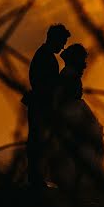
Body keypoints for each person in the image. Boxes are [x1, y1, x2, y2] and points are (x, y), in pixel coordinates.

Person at [49, 43, 104, 189]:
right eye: (82, 60)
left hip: (73, 111)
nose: (85, 64)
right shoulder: (68, 75)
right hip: (72, 112)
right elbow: (60, 96)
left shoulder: (68, 73)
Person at [24, 23, 70, 187]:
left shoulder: (43, 55)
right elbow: (43, 84)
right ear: (54, 39)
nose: (63, 46)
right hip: (40, 105)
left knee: (38, 141)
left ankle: (36, 177)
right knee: (38, 141)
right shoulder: (45, 57)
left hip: (40, 104)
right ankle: (35, 178)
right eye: (62, 42)